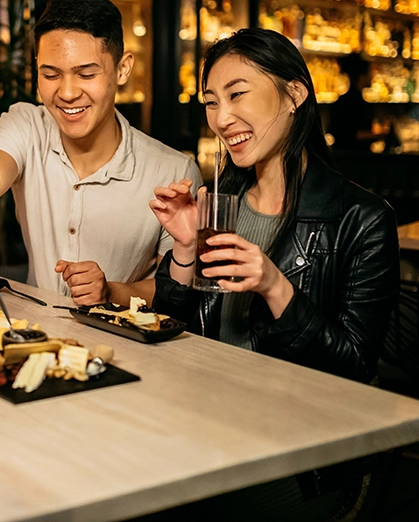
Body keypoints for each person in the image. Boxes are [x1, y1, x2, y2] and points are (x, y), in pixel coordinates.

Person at [147, 28, 398, 519]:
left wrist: (274, 286)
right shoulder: (220, 207)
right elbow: (169, 333)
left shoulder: (361, 218)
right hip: (207, 422)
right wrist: (183, 247)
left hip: (302, 451)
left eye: (237, 94)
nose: (222, 118)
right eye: (211, 102)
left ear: (295, 94)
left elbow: (353, 368)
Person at [0, 0, 202, 303]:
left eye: (86, 74)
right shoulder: (26, 124)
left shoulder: (173, 171)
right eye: (50, 75)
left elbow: (176, 293)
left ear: (122, 69)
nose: (67, 92)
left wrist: (111, 291)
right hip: (32, 329)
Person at [327, 52, 377, 151]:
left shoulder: (341, 101)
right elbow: (354, 135)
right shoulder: (358, 103)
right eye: (370, 72)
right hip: (356, 156)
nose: (372, 76)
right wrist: (382, 135)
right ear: (362, 76)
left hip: (341, 156)